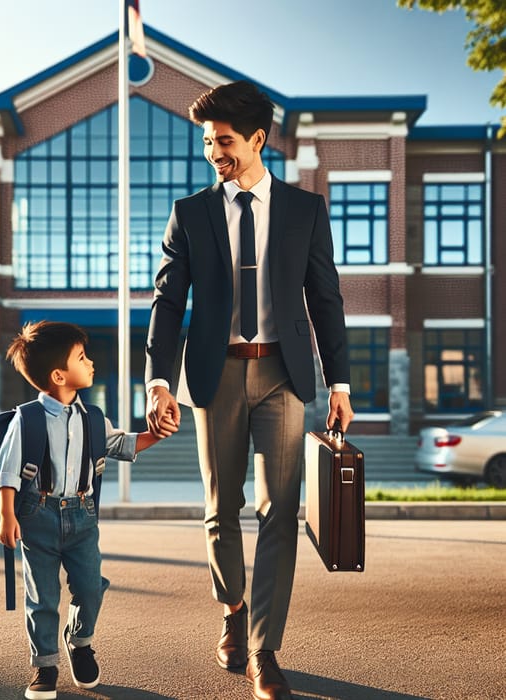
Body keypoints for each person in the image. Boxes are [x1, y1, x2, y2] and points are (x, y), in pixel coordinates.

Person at [145, 80, 354, 700]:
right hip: (216, 374)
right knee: (220, 509)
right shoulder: (191, 213)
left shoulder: (304, 210)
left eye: (226, 140)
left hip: (285, 374)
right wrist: (159, 381)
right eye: (208, 141)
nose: (216, 151)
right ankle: (233, 607)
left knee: (280, 511)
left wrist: (339, 381)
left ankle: (264, 650)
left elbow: (326, 299)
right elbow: (167, 301)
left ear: (258, 139)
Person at [0, 320, 176, 700]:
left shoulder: (93, 417)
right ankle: (45, 667)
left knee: (91, 587)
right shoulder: (26, 419)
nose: (90, 362)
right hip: (37, 514)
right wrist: (7, 515)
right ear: (59, 375)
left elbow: (121, 445)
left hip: (82, 515)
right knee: (42, 596)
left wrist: (154, 435)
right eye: (82, 357)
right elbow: (7, 470)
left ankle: (79, 641)